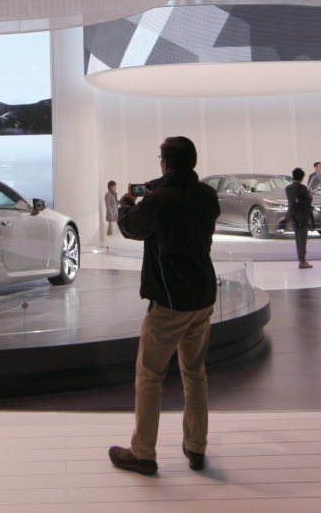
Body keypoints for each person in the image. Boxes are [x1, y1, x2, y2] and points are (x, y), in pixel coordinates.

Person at [108, 137, 219, 476]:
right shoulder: (207, 195)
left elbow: (131, 228)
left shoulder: (159, 200)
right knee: (195, 375)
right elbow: (181, 200)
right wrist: (157, 189)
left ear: (165, 162)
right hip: (202, 296)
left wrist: (127, 204)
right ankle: (196, 446)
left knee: (149, 377)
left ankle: (143, 453)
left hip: (170, 301)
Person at [285, 168, 314, 269]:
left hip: (292, 215)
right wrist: (310, 195)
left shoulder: (288, 188)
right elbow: (308, 199)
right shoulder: (302, 188)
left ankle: (301, 259)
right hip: (302, 215)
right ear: (302, 178)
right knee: (302, 238)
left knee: (297, 237)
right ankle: (302, 260)